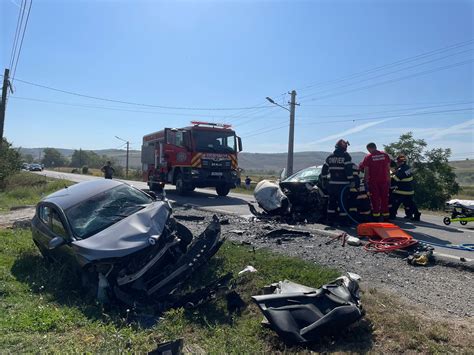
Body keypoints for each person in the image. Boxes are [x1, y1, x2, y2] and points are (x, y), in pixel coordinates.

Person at [321, 139, 353, 226]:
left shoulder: (330, 157)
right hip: (343, 185)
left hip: (332, 185)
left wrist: (324, 180)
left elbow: (324, 169)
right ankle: (343, 222)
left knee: (331, 203)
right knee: (343, 203)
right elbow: (348, 170)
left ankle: (330, 221)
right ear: (344, 147)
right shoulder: (346, 156)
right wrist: (351, 180)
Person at [359, 142, 391, 221]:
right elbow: (388, 169)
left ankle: (376, 218)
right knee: (385, 199)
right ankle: (386, 218)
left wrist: (365, 182)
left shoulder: (368, 157)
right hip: (384, 181)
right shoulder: (385, 155)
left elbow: (366, 171)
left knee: (375, 200)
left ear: (369, 148)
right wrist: (389, 180)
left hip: (373, 182)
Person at [389, 154, 421, 221]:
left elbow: (396, 179)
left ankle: (392, 215)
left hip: (401, 190)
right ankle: (416, 214)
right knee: (410, 203)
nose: (397, 163)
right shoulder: (408, 168)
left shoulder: (401, 169)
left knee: (394, 203)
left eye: (398, 162)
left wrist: (391, 175)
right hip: (409, 190)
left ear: (402, 162)